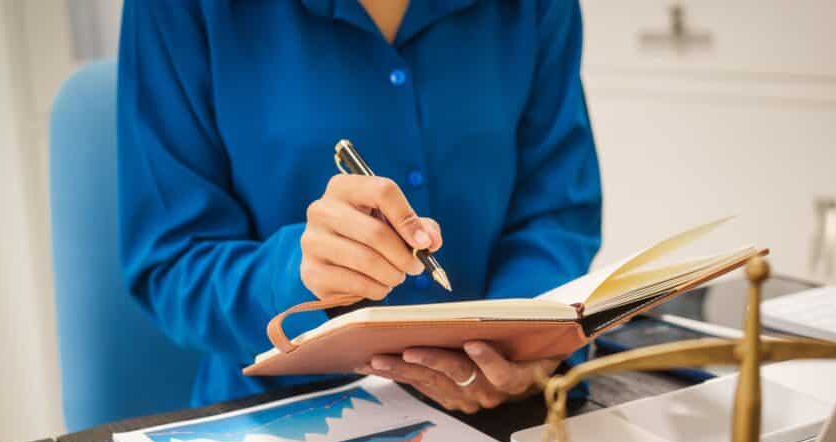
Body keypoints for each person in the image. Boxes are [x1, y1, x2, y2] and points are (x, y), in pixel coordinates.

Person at [118, 0, 601, 412]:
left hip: (509, 408)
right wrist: (297, 275)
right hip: (285, 420)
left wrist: (521, 338)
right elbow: (172, 264)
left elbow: (556, 212)